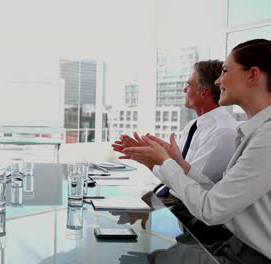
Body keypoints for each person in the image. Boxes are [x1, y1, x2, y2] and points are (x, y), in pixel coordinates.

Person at [122, 39, 271, 262]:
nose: (219, 80)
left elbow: (212, 210)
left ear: (252, 75)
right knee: (138, 255)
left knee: (138, 258)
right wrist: (179, 166)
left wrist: (166, 164)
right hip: (235, 245)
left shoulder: (266, 137)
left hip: (251, 256)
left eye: (225, 70)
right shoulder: (254, 131)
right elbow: (220, 198)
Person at [113, 60, 239, 243]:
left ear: (204, 92)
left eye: (188, 84)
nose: (184, 90)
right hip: (168, 200)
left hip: (186, 213)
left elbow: (188, 186)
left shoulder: (223, 132)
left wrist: (154, 161)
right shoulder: (193, 125)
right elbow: (175, 174)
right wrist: (148, 158)